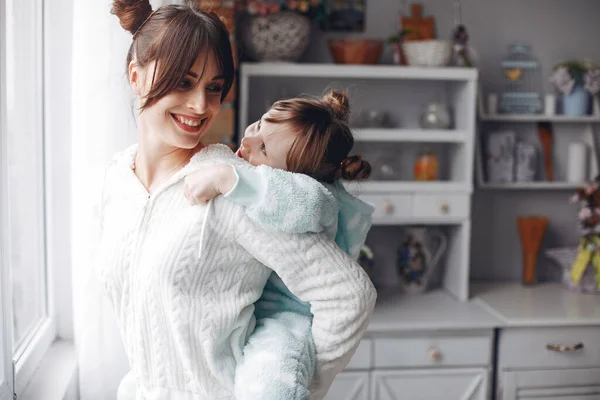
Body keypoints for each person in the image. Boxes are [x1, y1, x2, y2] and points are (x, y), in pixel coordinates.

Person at [101, 1, 376, 399]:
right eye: (183, 81)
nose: (201, 106)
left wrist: (296, 385)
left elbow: (349, 296)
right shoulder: (117, 178)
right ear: (135, 75)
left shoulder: (236, 187)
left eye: (214, 88)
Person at [183, 89, 375, 400]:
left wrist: (227, 179)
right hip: (246, 309)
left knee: (271, 385)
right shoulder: (259, 174)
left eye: (263, 150)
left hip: (285, 319)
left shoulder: (314, 198)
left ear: (294, 177)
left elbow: (306, 203)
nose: (246, 143)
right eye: (257, 126)